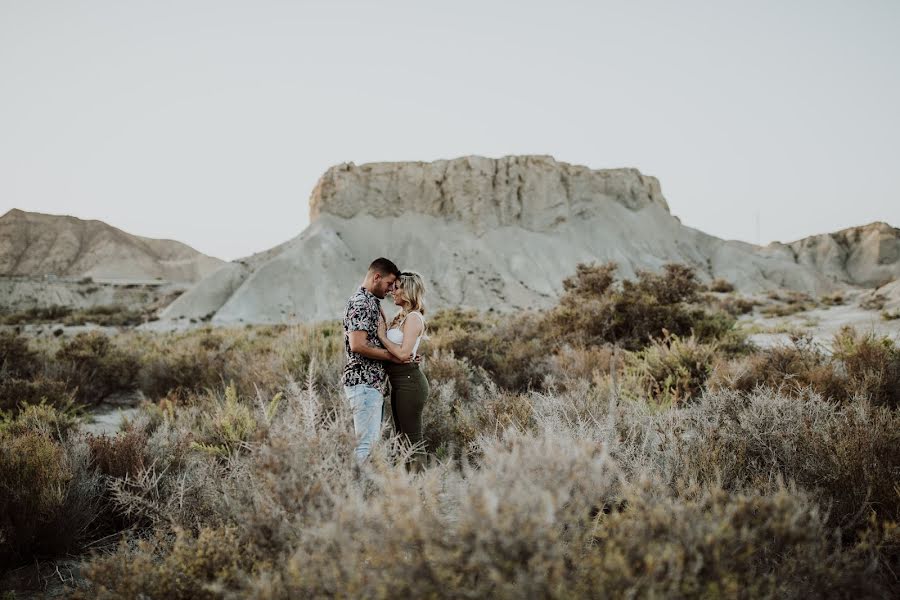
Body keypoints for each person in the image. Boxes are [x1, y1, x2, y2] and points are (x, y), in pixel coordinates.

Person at [341, 257, 405, 462]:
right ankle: (357, 493)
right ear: (376, 277)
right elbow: (357, 344)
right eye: (388, 284)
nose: (389, 290)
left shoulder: (370, 302)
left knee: (370, 445)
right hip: (363, 383)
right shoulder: (362, 302)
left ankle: (363, 491)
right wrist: (393, 356)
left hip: (371, 383)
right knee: (365, 446)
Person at [377, 271, 430, 472]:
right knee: (402, 439)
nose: (392, 291)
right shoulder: (401, 317)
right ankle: (409, 488)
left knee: (412, 441)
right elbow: (404, 351)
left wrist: (382, 336)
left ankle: (422, 491)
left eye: (397, 287)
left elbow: (402, 353)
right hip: (399, 382)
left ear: (408, 291)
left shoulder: (414, 318)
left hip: (410, 383)